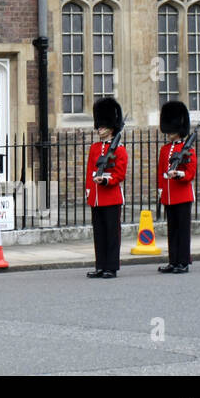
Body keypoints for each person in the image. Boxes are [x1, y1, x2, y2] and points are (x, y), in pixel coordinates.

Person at [85, 96, 127, 279]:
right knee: (99, 234)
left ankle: (111, 266)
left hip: (111, 197)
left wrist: (106, 180)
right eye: (99, 126)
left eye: (102, 126)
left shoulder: (119, 150)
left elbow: (120, 174)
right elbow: (89, 171)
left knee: (111, 234)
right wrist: (89, 190)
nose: (99, 129)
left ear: (111, 128)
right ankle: (100, 265)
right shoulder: (95, 148)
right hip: (96, 197)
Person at [157, 100, 197, 274]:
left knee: (182, 230)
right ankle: (173, 261)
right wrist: (161, 190)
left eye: (172, 130)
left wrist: (178, 175)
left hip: (182, 194)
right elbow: (161, 171)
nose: (169, 133)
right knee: (172, 230)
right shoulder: (165, 150)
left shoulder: (188, 149)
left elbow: (190, 173)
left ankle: (183, 261)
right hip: (169, 195)